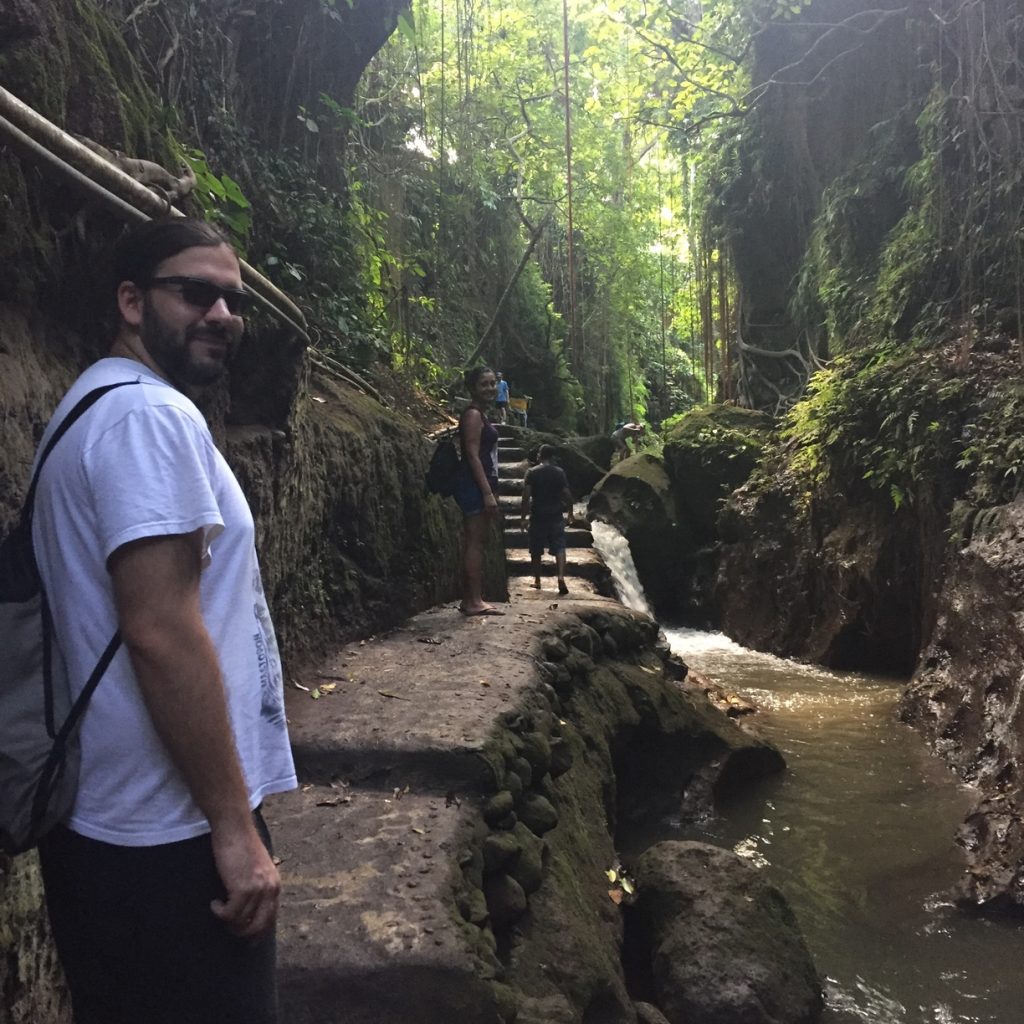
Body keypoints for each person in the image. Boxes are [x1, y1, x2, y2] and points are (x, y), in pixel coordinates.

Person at [30, 217, 297, 1024]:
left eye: (233, 299)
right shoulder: (150, 419)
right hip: (167, 832)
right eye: (195, 292)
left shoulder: (89, 408)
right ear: (133, 301)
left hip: (112, 827)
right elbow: (161, 628)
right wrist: (233, 829)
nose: (221, 314)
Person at [455, 366, 503, 615]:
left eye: (493, 383)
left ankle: (473, 598)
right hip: (473, 485)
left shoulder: (481, 415)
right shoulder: (473, 415)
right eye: (484, 384)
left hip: (480, 483)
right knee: (474, 541)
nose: (490, 388)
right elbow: (473, 456)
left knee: (478, 541)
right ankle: (472, 601)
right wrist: (486, 492)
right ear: (473, 387)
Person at [521, 444, 575, 596]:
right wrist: (570, 513)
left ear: (539, 456)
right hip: (556, 515)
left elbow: (526, 497)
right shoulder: (559, 472)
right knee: (560, 547)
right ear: (552, 458)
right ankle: (560, 578)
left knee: (536, 550)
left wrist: (523, 518)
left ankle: (537, 581)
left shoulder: (531, 472)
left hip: (538, 516)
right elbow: (567, 494)